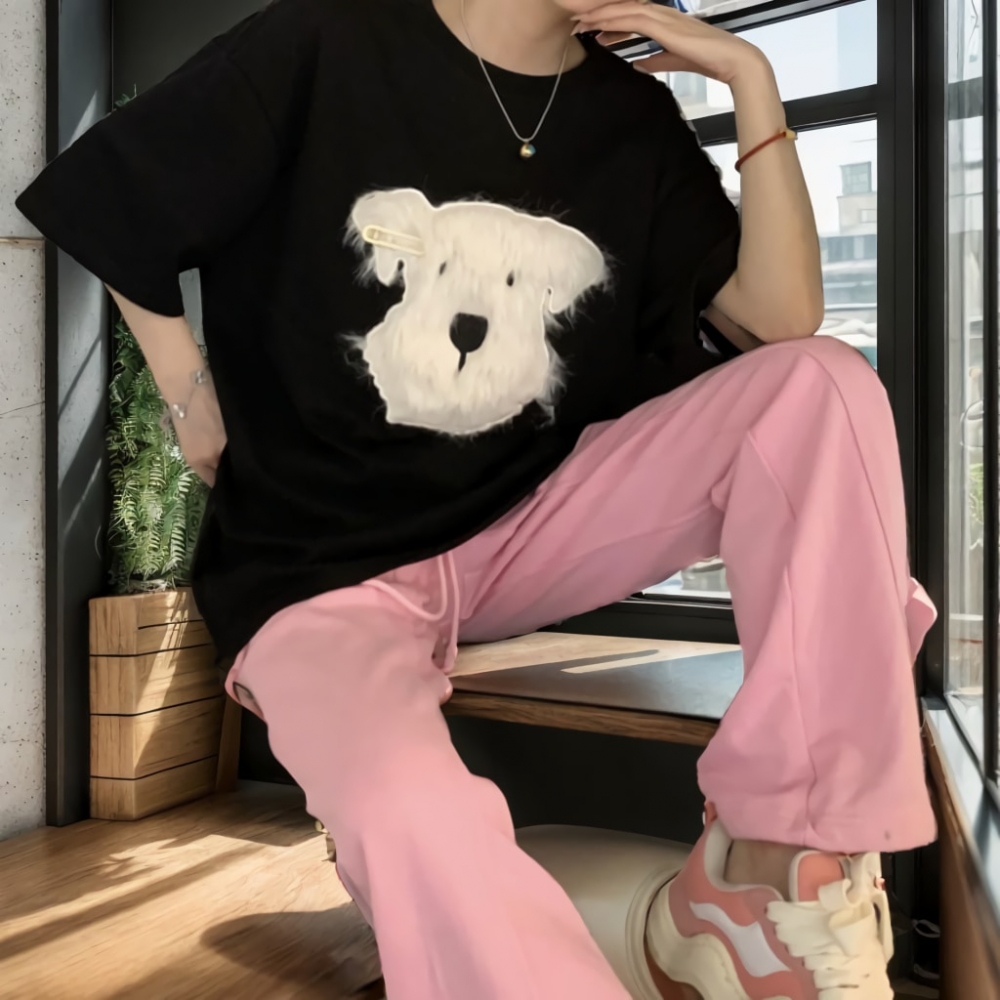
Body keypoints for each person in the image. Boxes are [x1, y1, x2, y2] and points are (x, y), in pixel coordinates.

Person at [17, 0, 937, 997]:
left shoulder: (631, 119)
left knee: (821, 386)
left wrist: (752, 79)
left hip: (527, 526)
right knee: (416, 818)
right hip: (321, 569)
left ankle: (771, 862)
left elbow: (782, 321)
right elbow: (116, 193)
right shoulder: (328, 39)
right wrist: (187, 390)